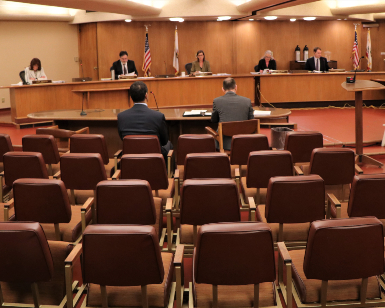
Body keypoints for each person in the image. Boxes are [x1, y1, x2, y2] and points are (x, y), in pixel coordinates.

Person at [117, 81, 172, 160]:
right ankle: (169, 171)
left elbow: (122, 138)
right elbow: (164, 142)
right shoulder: (158, 116)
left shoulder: (121, 116)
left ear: (131, 97)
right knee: (169, 145)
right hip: (154, 160)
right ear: (146, 95)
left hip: (131, 160)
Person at [211, 77, 254, 150]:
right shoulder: (247, 101)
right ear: (236, 87)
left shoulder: (217, 101)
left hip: (224, 144)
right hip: (244, 142)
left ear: (223, 89)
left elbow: (214, 120)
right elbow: (251, 121)